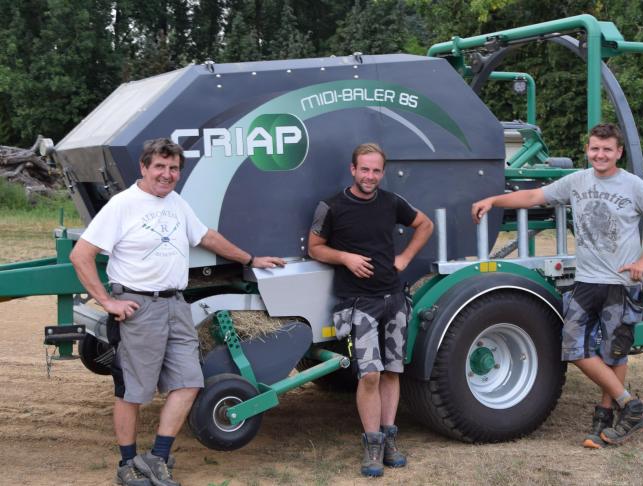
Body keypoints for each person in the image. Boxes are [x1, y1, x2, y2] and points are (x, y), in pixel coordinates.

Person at [70, 138, 286, 486]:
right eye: (160, 167)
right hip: (138, 308)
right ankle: (127, 464)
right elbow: (81, 255)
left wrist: (250, 259)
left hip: (176, 304)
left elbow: (207, 237)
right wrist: (108, 302)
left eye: (173, 169)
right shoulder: (122, 205)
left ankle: (158, 458)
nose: (167, 175)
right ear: (144, 168)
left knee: (188, 382)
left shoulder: (176, 204)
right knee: (133, 392)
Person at [471, 123, 643, 448]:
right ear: (588, 150)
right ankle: (632, 406)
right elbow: (533, 196)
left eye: (607, 149)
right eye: (595, 148)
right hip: (586, 281)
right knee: (573, 347)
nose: (600, 155)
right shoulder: (577, 181)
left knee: (614, 352)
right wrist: (493, 200)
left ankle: (604, 417)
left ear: (618, 152)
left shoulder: (633, 185)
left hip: (621, 283)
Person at [308, 143, 433, 477]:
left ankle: (389, 438)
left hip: (394, 299)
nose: (370, 176)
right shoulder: (332, 207)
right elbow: (314, 248)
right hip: (357, 304)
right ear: (353, 170)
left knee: (392, 370)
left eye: (376, 170)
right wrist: (345, 257)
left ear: (382, 172)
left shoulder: (392, 203)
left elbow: (425, 225)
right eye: (364, 169)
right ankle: (372, 443)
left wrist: (404, 258)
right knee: (370, 374)